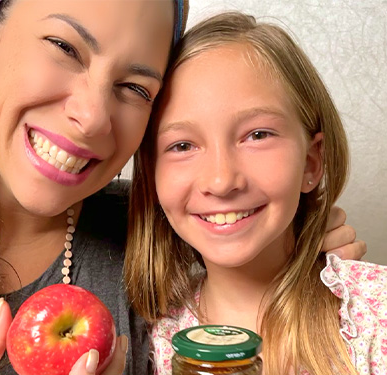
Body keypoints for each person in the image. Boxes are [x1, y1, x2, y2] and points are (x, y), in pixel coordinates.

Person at [0, 1, 365, 374]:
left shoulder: (153, 242)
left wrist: (310, 256)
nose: (93, 118)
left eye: (135, 88)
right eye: (63, 47)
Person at [125, 12, 385, 375]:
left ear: (311, 163)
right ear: (152, 175)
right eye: (183, 145)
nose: (220, 180)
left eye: (258, 135)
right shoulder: (142, 343)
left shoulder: (376, 314)